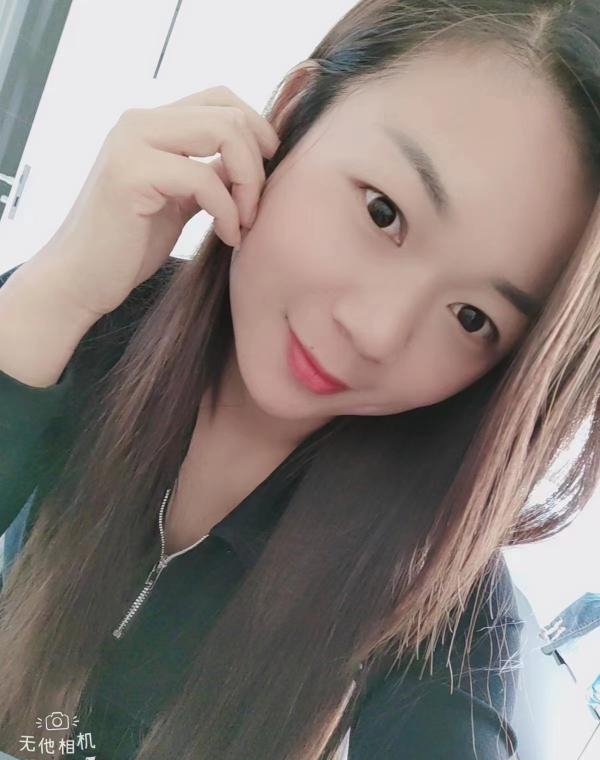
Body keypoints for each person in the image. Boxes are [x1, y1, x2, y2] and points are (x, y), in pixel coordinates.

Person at [0, 1, 599, 758]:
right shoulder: (71, 326)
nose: (376, 330)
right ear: (291, 114)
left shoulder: (446, 617)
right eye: (383, 212)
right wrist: (55, 293)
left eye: (473, 317)